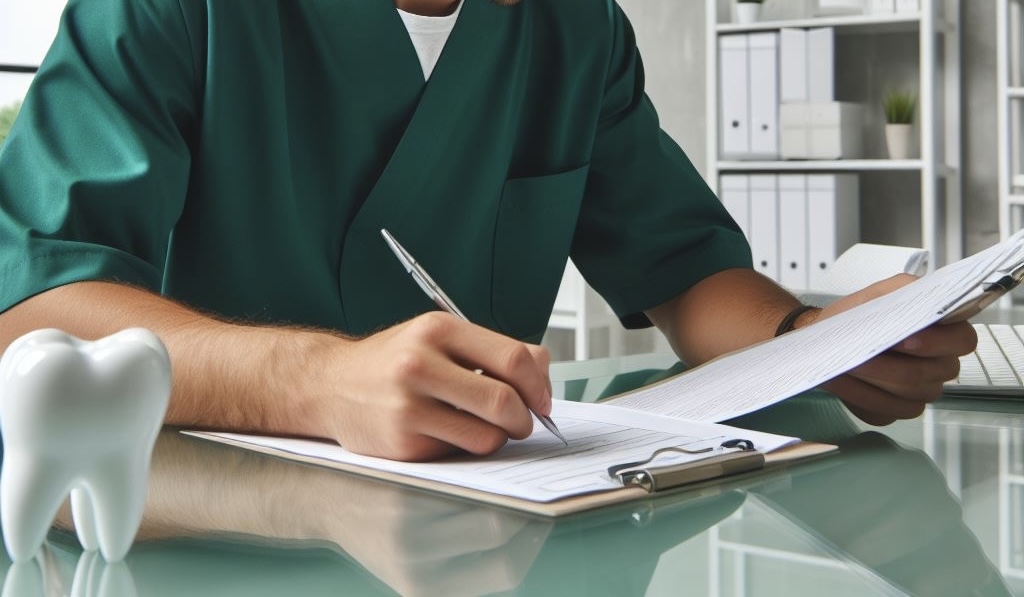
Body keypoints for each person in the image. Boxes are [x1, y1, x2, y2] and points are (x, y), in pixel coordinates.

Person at [0, 0, 976, 462]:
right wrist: (316, 381)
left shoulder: (574, 30)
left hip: (481, 525)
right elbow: (34, 306)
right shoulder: (171, 13)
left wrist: (812, 347)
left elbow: (686, 268)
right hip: (185, 515)